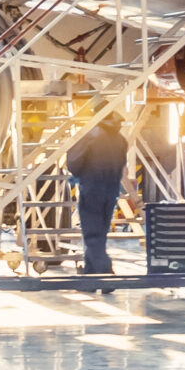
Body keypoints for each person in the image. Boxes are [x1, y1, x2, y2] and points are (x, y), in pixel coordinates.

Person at [68, 111, 130, 276]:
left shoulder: (91, 136)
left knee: (92, 235)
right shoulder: (121, 140)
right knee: (99, 235)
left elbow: (73, 163)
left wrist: (81, 175)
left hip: (92, 189)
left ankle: (106, 271)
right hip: (111, 191)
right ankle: (90, 278)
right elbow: (123, 163)